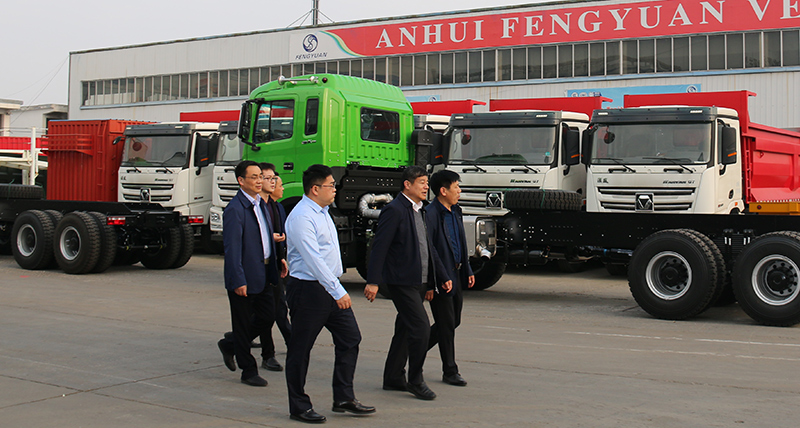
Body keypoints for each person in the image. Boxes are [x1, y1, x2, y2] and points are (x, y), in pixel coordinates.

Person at [284, 164, 375, 423]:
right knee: (301, 349)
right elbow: (313, 259)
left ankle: (343, 397)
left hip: (329, 286)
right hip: (309, 290)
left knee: (350, 338)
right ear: (315, 189)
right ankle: (299, 406)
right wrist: (338, 290)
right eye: (330, 185)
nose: (335, 189)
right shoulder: (302, 216)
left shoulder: (323, 211)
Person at [364, 165, 450, 401]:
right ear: (407, 185)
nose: (425, 187)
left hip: (420, 280)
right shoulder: (395, 210)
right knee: (421, 328)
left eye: (426, 182)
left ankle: (393, 377)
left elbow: (428, 247)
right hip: (401, 281)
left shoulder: (420, 210)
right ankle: (415, 379)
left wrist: (440, 277)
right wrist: (373, 281)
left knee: (404, 329)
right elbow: (379, 247)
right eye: (421, 182)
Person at [216, 160, 285, 387]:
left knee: (268, 316)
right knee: (243, 323)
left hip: (265, 270)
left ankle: (231, 344)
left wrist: (277, 260)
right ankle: (248, 370)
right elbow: (232, 248)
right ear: (241, 181)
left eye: (260, 177)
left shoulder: (261, 204)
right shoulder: (236, 209)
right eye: (254, 177)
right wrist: (238, 279)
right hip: (245, 275)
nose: (259, 181)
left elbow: (266, 237)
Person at [425, 170, 475, 387]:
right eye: (456, 187)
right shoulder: (431, 213)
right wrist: (439, 277)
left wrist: (468, 269)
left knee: (454, 321)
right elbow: (430, 249)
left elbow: (461, 243)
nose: (459, 191)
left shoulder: (456, 211)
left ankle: (413, 348)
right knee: (446, 324)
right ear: (443, 191)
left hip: (455, 272)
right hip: (440, 276)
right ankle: (450, 370)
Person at [258, 163, 291, 372]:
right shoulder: (256, 206)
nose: (273, 181)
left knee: (277, 307)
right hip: (258, 266)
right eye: (268, 178)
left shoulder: (275, 206)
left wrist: (282, 257)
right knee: (265, 312)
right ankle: (266, 353)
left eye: (273, 178)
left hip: (274, 263)